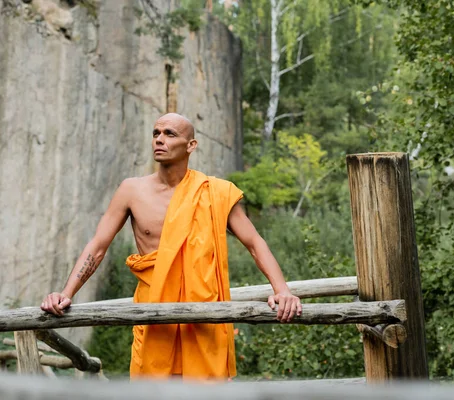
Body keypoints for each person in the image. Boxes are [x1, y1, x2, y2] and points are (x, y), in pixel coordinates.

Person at [41, 113, 302, 380]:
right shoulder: (131, 190)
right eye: (156, 133)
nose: (160, 140)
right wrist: (67, 292)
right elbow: (98, 246)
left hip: (204, 316)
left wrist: (282, 291)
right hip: (154, 314)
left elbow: (255, 242)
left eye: (169, 134)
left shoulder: (216, 192)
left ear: (191, 145)